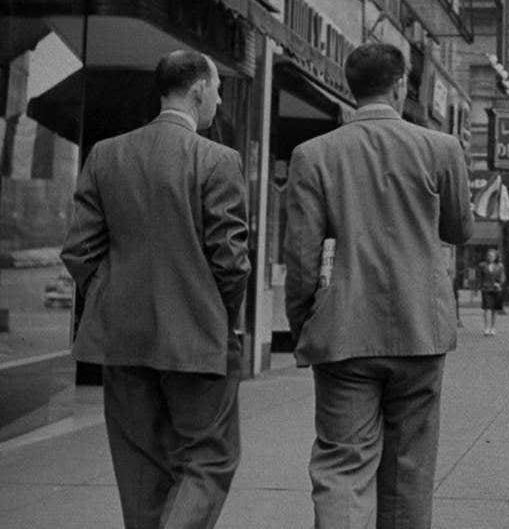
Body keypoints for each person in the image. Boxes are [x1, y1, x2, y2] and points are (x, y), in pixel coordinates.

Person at [283, 43, 473, 529]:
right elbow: (459, 230)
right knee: (409, 472)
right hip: (420, 330)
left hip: (343, 331)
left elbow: (301, 257)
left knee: (342, 465)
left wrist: (305, 322)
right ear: (401, 85)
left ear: (351, 87)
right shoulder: (441, 148)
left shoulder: (313, 155)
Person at [61, 50, 250, 529]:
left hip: (121, 340)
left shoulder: (106, 153)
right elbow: (230, 260)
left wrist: (115, 297)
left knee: (141, 469)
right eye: (218, 93)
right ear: (199, 91)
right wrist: (215, 314)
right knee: (210, 458)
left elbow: (80, 251)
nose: (219, 105)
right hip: (198, 341)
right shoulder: (218, 160)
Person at [478, 248, 504, 336]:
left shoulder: (500, 266)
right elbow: (480, 277)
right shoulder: (483, 265)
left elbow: (503, 277)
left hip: (496, 289)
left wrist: (499, 283)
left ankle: (493, 327)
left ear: (496, 257)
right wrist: (480, 286)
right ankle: (486, 328)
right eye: (489, 255)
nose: (490, 257)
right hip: (486, 289)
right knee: (487, 309)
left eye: (492, 256)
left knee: (494, 309)